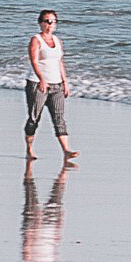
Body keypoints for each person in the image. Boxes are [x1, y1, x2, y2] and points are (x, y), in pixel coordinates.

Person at [24, 9, 78, 161]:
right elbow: (34, 61)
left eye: (53, 21)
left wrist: (65, 82)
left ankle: (66, 150)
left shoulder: (57, 40)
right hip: (37, 84)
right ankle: (29, 149)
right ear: (40, 23)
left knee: (59, 118)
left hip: (57, 85)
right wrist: (41, 79)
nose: (50, 24)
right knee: (34, 118)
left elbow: (59, 61)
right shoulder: (36, 40)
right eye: (47, 21)